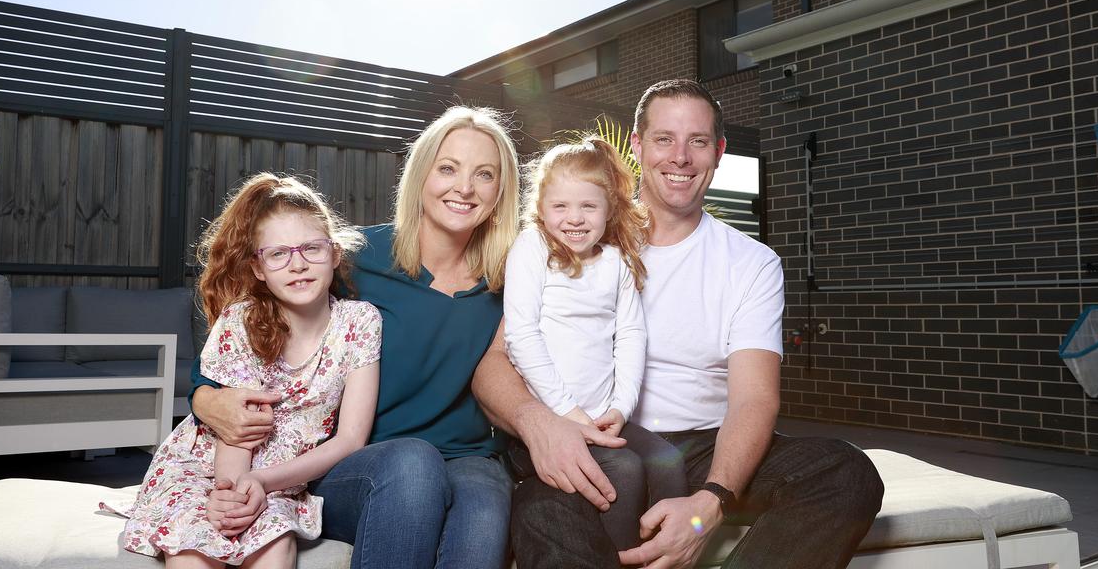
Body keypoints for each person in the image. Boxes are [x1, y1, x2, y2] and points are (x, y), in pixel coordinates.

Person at [477, 79, 885, 569]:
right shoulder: (578, 240)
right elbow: (496, 361)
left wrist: (708, 505)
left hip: (703, 449)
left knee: (846, 473)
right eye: (664, 139)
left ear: (719, 153)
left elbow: (755, 398)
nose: (681, 157)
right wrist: (540, 423)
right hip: (595, 438)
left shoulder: (750, 263)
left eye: (698, 141)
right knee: (543, 513)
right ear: (638, 146)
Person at [188, 105, 520, 569]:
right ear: (421, 174)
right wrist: (203, 397)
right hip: (357, 457)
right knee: (411, 465)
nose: (464, 187)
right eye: (448, 168)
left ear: (501, 190)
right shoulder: (355, 257)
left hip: (468, 457)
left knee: (484, 520)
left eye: (484, 174)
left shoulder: (514, 276)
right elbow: (248, 325)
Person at [107, 173, 382, 568]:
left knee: (274, 544)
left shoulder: (359, 322)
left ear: (335, 254)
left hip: (278, 480)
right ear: (258, 268)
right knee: (194, 546)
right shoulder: (242, 321)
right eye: (278, 254)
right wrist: (228, 493)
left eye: (311, 249)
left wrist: (262, 483)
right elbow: (234, 430)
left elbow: (351, 438)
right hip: (208, 468)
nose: (298, 265)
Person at [503, 136, 687, 552]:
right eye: (561, 206)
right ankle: (620, 560)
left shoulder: (616, 261)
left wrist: (620, 407)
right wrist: (569, 412)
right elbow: (521, 336)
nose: (575, 218)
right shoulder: (532, 248)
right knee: (622, 470)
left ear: (609, 210)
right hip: (546, 426)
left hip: (603, 419)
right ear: (542, 209)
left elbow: (631, 335)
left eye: (588, 206)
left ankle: (659, 557)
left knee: (669, 465)